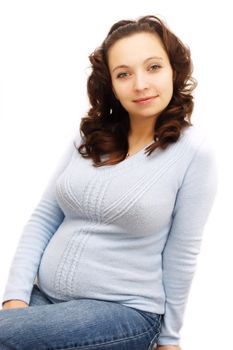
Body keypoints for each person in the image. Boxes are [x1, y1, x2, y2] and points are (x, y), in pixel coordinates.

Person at [0, 15, 217, 350]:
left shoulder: (193, 153)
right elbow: (45, 216)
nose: (140, 84)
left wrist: (170, 340)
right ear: (112, 85)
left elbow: (182, 251)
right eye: (124, 74)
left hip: (122, 312)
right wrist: (15, 299)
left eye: (154, 67)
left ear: (174, 69)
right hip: (43, 298)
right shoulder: (90, 135)